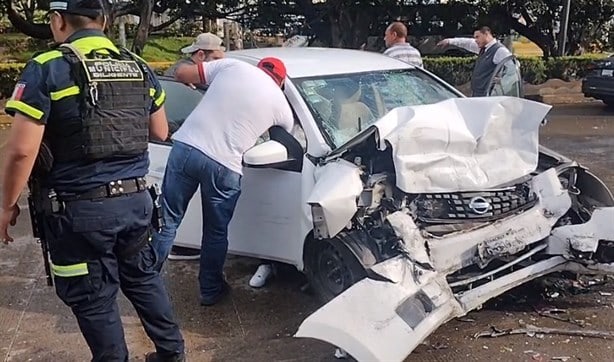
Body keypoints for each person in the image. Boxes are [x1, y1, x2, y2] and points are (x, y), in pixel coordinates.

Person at [0, 1, 185, 361]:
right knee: (144, 279)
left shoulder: (47, 67)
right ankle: (172, 353)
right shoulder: (137, 65)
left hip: (79, 212)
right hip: (136, 202)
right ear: (102, 20)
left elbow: (21, 151)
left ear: (57, 21)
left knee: (93, 297)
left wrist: (6, 205)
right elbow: (160, 130)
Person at [152, 57, 294, 305]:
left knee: (168, 222)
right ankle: (210, 290)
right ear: (281, 82)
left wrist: (198, 76)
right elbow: (285, 140)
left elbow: (182, 73)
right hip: (225, 166)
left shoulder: (231, 66)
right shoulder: (282, 106)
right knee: (215, 233)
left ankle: (145, 285)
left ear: (258, 67)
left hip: (186, 148)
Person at [437, 26, 513, 97]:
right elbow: (467, 43)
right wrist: (449, 41)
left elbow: (513, 66)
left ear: (486, 34)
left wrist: (503, 80)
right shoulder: (482, 48)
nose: (476, 40)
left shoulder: (499, 50)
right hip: (478, 94)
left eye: (477, 37)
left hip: (488, 96)